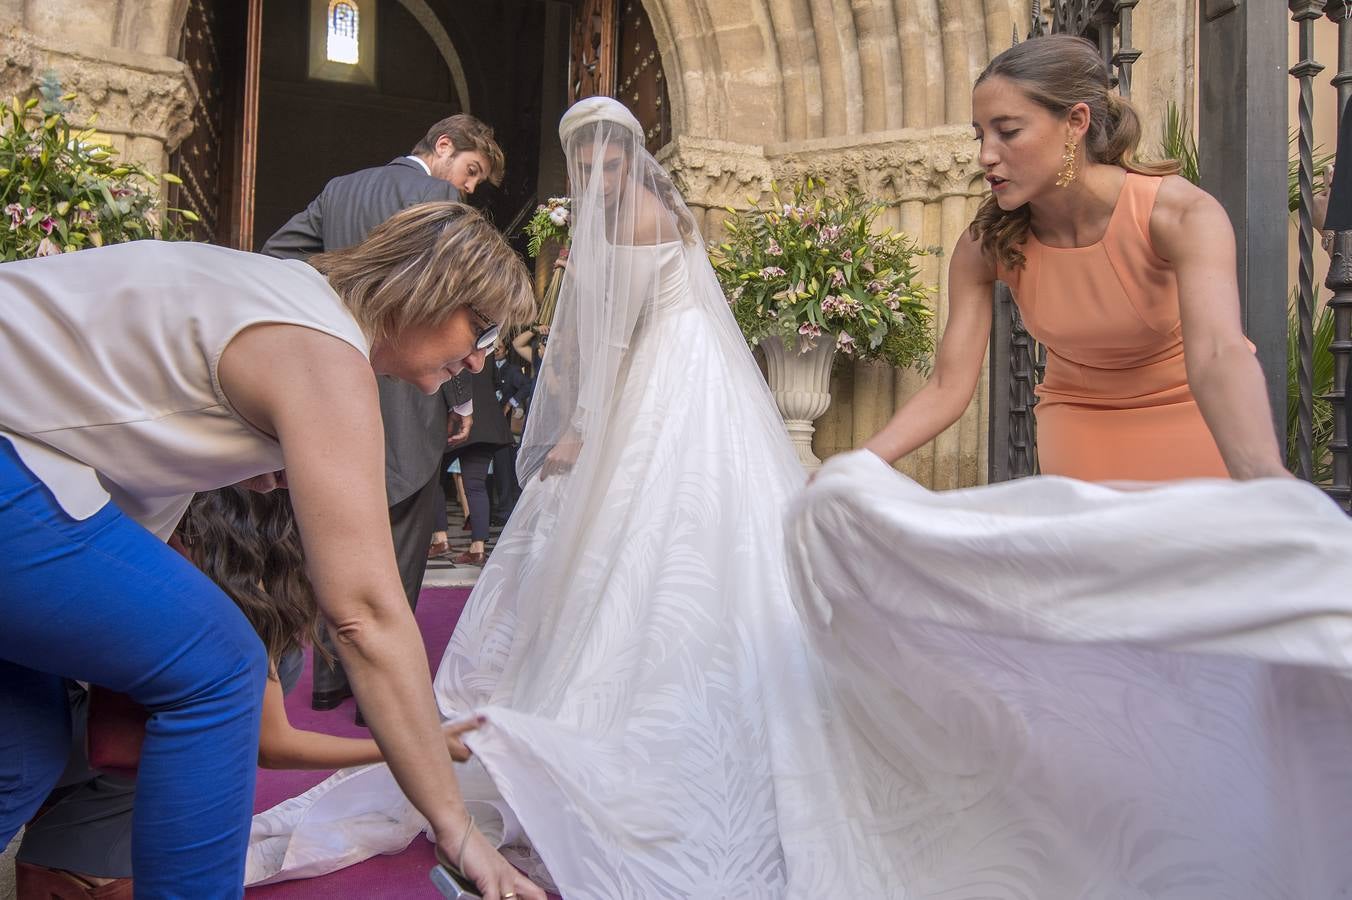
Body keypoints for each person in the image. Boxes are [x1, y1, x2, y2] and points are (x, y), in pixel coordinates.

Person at [244, 95, 900, 896]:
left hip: (665, 396)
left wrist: (583, 426)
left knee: (658, 539)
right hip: (619, 379)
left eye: (606, 162)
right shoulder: (607, 219)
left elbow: (612, 340)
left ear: (632, 157)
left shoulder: (640, 219)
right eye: (583, 164)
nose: (594, 175)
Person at [0, 201, 542, 900]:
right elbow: (367, 615)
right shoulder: (320, 343)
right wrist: (456, 827)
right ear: (430, 287)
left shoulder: (273, 294)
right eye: (482, 328)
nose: (478, 358)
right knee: (221, 665)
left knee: (20, 749)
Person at [15, 488, 481, 898]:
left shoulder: (173, 546)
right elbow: (272, 745)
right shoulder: (239, 600)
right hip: (108, 860)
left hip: (61, 762)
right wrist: (402, 749)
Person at [862, 35, 1287, 482]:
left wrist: (1261, 471)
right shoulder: (985, 243)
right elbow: (948, 387)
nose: (986, 155)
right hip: (1079, 426)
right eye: (980, 135)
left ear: (1075, 121)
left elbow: (1220, 353)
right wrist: (862, 464)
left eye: (1008, 132)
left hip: (1192, 414)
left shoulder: (1179, 214)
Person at [261, 114, 504, 716]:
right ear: (443, 146)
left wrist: (328, 327)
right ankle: (380, 696)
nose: (470, 187)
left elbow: (277, 256)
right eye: (471, 170)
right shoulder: (440, 200)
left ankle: (327, 682)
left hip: (331, 384)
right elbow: (456, 305)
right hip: (411, 391)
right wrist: (460, 399)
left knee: (334, 530)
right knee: (401, 539)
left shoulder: (341, 188)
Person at [443, 364, 513, 566]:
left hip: (457, 419)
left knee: (434, 480)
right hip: (488, 423)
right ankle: (478, 548)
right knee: (476, 485)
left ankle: (440, 538)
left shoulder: (456, 348)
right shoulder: (485, 350)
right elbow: (494, 382)